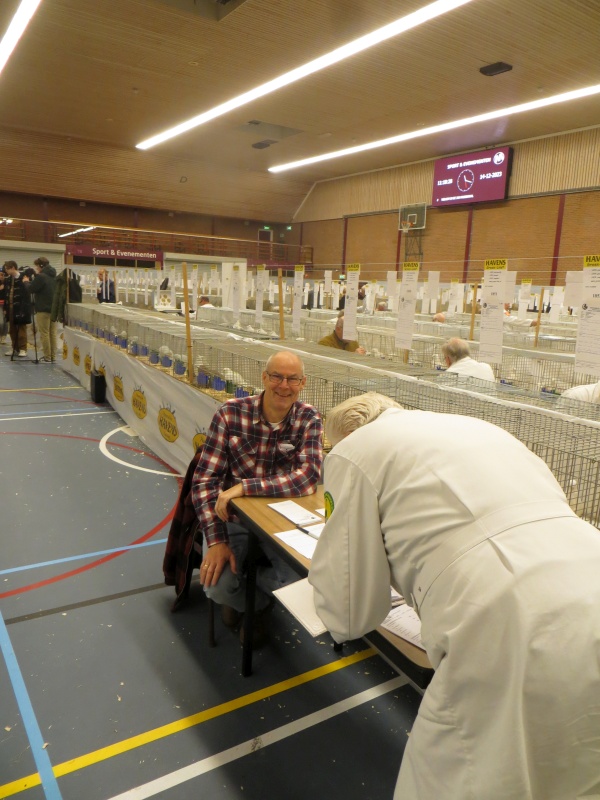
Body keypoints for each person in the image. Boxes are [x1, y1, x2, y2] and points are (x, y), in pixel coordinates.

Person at [309, 392, 600, 800]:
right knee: (582, 760)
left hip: (505, 613)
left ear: (344, 435)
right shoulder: (478, 427)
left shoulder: (352, 451)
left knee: (461, 775)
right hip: (589, 568)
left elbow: (349, 613)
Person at [191, 350, 323, 643]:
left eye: (292, 379)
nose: (283, 385)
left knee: (304, 583)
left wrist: (245, 487)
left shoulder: (308, 418)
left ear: (303, 383)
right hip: (233, 520)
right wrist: (216, 540)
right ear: (264, 378)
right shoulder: (230, 413)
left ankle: (252, 594)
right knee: (217, 587)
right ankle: (257, 604)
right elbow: (204, 481)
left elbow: (308, 477)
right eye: (276, 376)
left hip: (281, 522)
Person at [30, 257, 57, 362]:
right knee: (53, 333)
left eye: (37, 266)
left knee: (44, 333)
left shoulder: (41, 277)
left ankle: (47, 356)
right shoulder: (54, 276)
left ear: (41, 266)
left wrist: (27, 282)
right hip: (53, 309)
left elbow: (31, 289)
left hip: (43, 309)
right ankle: (53, 356)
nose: (36, 268)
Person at [2, 260, 31, 357]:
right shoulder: (8, 279)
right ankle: (14, 347)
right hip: (10, 307)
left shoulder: (24, 277)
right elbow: (6, 294)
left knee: (21, 328)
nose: (5, 271)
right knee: (12, 329)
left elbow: (28, 292)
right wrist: (6, 308)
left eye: (7, 269)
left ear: (13, 268)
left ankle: (23, 348)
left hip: (21, 307)